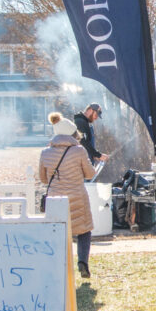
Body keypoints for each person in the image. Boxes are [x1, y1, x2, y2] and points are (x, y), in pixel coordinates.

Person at [40, 112, 97, 278]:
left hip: (55, 199)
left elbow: (43, 178)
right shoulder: (79, 151)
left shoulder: (45, 152)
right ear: (72, 134)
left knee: (57, 231)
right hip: (77, 196)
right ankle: (83, 262)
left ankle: (59, 265)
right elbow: (89, 173)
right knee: (84, 231)